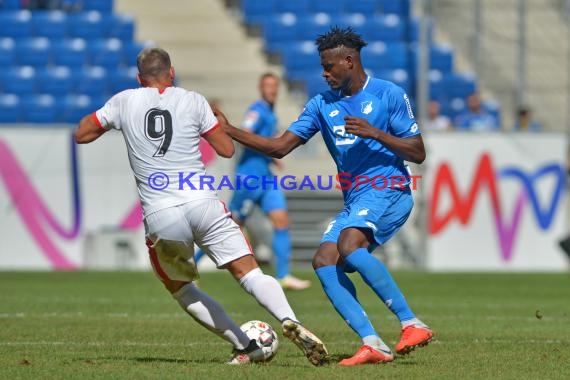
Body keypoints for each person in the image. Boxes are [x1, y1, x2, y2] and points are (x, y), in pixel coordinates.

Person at [73, 47, 328, 366]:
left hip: (161, 214)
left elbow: (82, 134)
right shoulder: (193, 100)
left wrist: (108, 119)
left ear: (140, 79)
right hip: (203, 202)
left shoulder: (124, 101)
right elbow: (224, 148)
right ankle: (289, 318)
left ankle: (243, 343)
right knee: (248, 272)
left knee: (180, 288)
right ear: (172, 72)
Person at [218, 27, 434, 366]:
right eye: (322, 66)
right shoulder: (321, 104)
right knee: (324, 261)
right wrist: (229, 129)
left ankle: (411, 324)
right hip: (357, 199)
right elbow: (279, 146)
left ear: (349, 61)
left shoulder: (388, 94)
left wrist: (376, 133)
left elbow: (418, 152)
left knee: (349, 246)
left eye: (329, 65)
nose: (324, 72)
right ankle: (373, 343)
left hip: (388, 189)